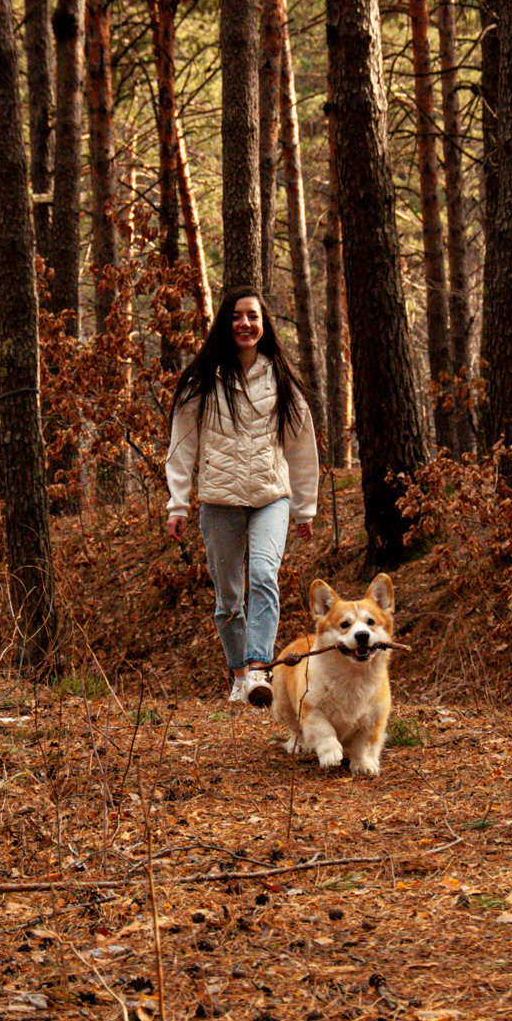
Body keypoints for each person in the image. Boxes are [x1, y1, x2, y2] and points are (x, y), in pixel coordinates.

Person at [165, 285, 320, 706]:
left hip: (272, 496)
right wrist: (177, 503)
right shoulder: (204, 378)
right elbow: (182, 445)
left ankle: (257, 669)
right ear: (225, 323)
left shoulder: (281, 378)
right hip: (220, 501)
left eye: (253, 316)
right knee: (229, 598)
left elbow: (301, 447)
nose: (245, 324)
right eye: (237, 316)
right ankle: (238, 675)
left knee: (264, 577)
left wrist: (305, 508)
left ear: (264, 323)